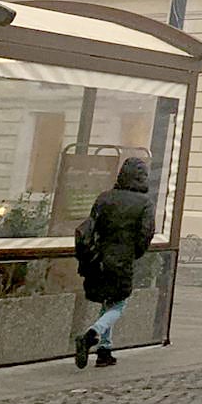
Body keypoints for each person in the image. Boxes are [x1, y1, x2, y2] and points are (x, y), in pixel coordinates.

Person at [73, 156, 156, 369]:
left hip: (98, 258)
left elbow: (92, 226)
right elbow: (145, 235)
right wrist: (134, 252)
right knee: (119, 303)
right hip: (122, 259)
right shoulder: (144, 203)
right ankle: (92, 335)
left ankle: (104, 351)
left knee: (107, 302)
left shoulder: (104, 198)